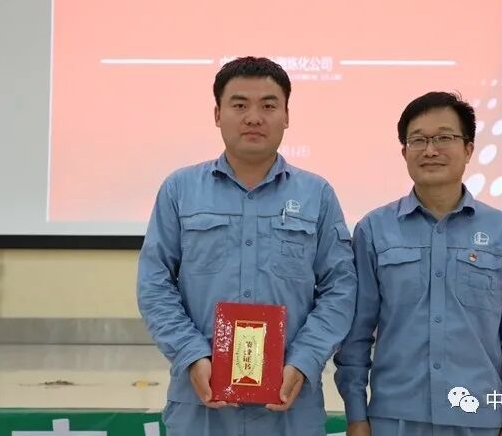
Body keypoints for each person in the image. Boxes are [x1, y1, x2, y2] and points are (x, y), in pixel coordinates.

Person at [138, 56, 357, 436]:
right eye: (239, 105)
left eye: (268, 106)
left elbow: (341, 287)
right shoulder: (179, 190)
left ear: (286, 116)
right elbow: (154, 284)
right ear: (217, 114)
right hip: (201, 404)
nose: (254, 118)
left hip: (290, 405)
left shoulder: (317, 194)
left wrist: (305, 359)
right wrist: (191, 353)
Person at [334, 91, 502, 436]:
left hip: (478, 420)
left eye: (444, 138)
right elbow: (356, 335)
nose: (430, 150)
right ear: (405, 153)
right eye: (418, 140)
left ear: (468, 149)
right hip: (393, 421)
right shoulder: (374, 230)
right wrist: (356, 415)